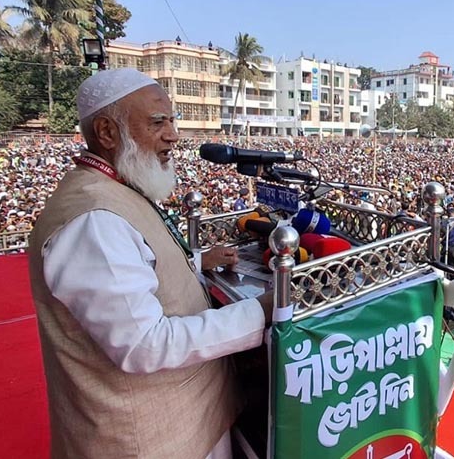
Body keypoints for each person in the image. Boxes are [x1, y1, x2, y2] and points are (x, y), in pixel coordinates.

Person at [28, 69, 272, 458]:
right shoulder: (93, 218)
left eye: (172, 121)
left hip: (185, 424)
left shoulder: (114, 188)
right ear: (108, 133)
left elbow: (135, 268)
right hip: (145, 440)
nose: (173, 134)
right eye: (158, 122)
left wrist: (194, 261)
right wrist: (258, 313)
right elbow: (143, 345)